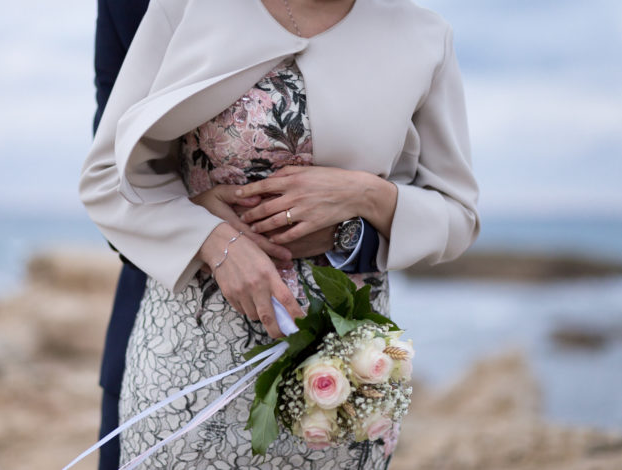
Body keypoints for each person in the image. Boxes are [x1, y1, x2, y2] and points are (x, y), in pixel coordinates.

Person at [81, 0, 479, 468]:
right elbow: (110, 176)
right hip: (188, 359)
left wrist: (368, 196)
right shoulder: (182, 8)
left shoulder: (424, 34)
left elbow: (458, 214)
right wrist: (211, 240)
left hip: (344, 381)